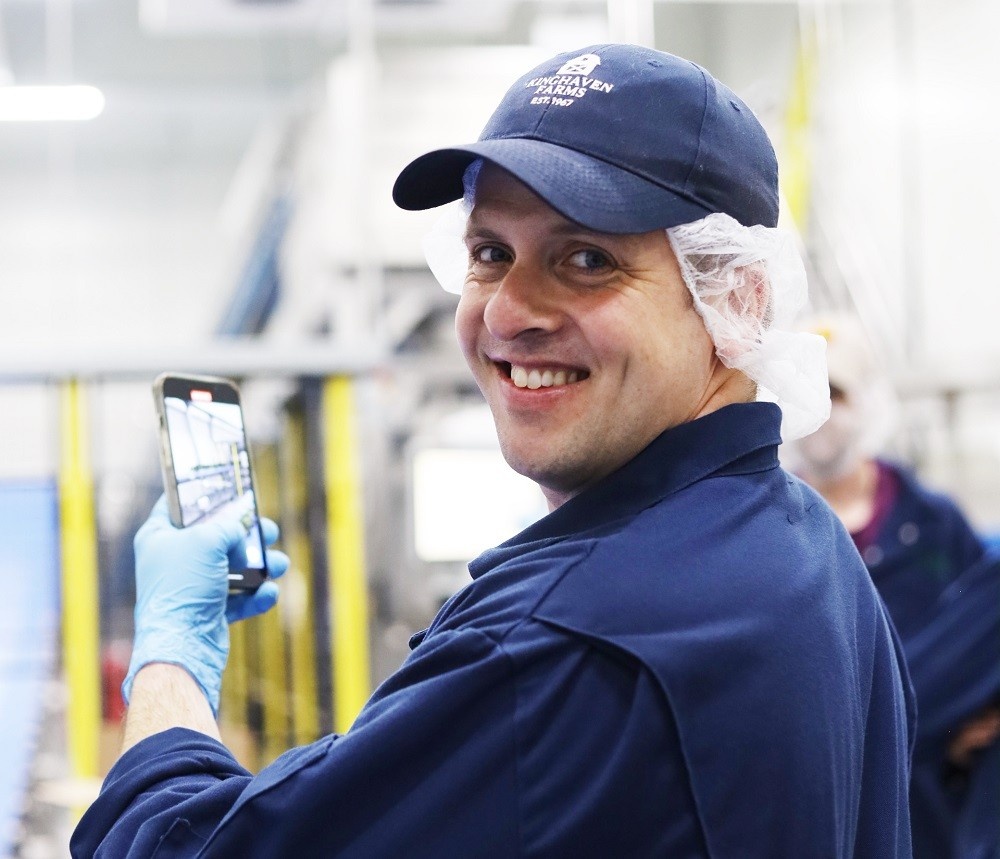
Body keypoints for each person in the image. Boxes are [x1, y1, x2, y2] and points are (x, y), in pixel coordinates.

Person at [72, 44, 914, 857]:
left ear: (735, 298)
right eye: (489, 253)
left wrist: (170, 650)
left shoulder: (560, 644)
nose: (509, 313)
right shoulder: (807, 547)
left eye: (586, 259)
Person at [792, 316, 999, 858]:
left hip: (925, 800)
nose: (822, 414)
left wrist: (973, 726)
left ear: (866, 401)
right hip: (820, 778)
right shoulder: (768, 527)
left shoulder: (932, 522)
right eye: (808, 393)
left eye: (836, 393)